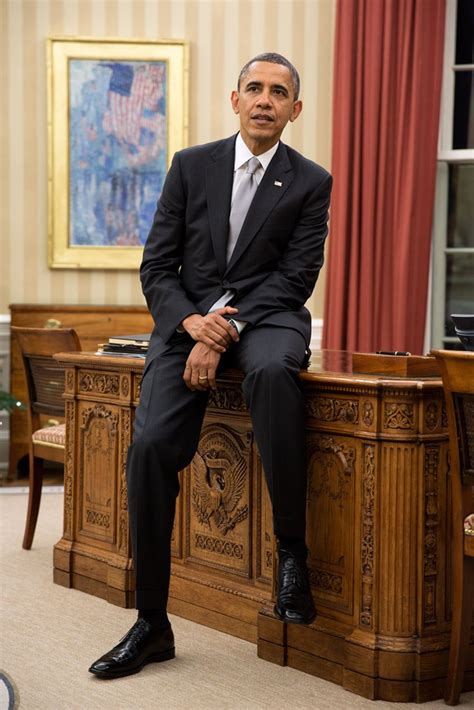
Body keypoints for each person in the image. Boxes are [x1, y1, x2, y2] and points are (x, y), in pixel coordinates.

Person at [89, 52, 332, 679]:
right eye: (255, 88)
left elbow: (295, 276)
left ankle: (292, 556)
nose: (265, 100)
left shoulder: (311, 181)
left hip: (267, 318)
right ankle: (150, 623)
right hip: (187, 320)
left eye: (279, 92)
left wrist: (224, 330)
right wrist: (193, 324)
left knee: (275, 373)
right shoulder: (190, 166)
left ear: (294, 110)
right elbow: (156, 266)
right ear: (235, 99)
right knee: (147, 447)